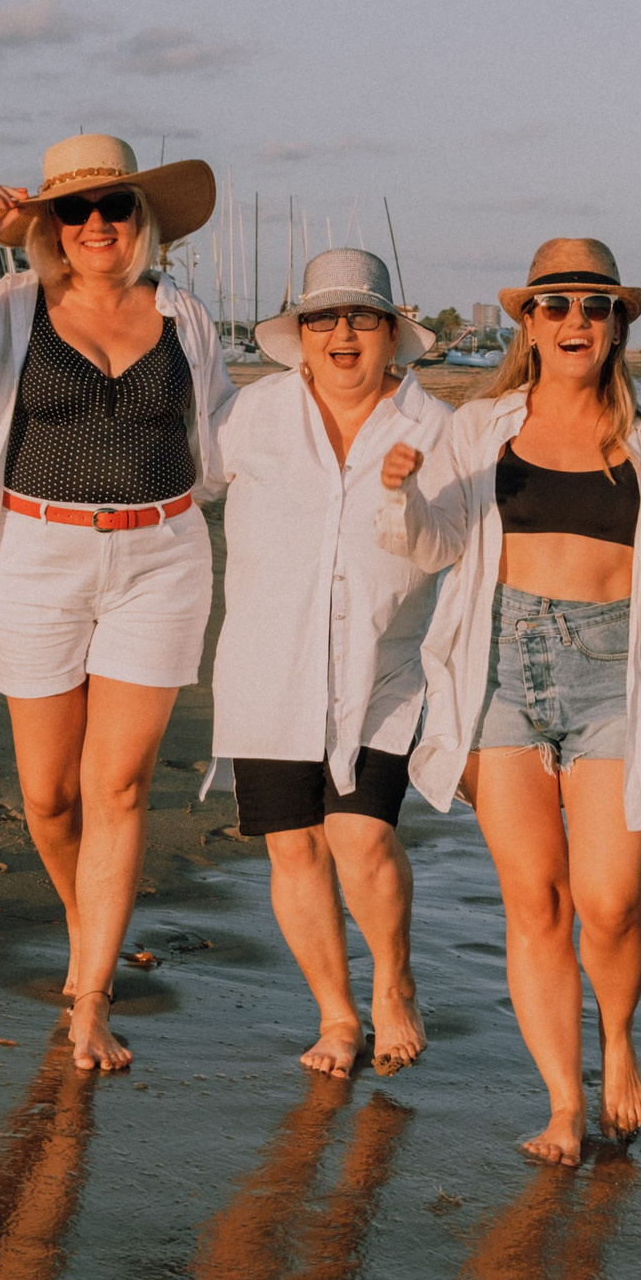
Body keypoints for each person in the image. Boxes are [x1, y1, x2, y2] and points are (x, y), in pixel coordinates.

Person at [0, 134, 230, 1072]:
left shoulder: (185, 315)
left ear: (140, 218)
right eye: (74, 210)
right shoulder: (11, 305)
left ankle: (91, 996)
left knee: (117, 787)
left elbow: (223, 434)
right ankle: (90, 923)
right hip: (37, 557)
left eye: (113, 206)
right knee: (48, 795)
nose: (95, 224)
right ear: (50, 224)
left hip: (161, 558)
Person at [386, 238, 641, 1164]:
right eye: (556, 304)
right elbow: (436, 543)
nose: (576, 320)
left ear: (617, 326)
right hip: (499, 670)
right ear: (527, 323)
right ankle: (565, 1103)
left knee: (609, 902)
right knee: (535, 900)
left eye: (595, 306)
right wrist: (403, 497)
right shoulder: (480, 429)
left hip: (611, 676)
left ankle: (619, 1036)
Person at [202, 249, 447, 1078]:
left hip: (382, 667)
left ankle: (394, 979)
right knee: (294, 848)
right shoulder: (252, 414)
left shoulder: (433, 426)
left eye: (362, 316)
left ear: (392, 333)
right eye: (323, 318)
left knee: (362, 835)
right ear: (301, 334)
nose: (343, 332)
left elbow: (459, 543)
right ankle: (337, 1015)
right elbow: (180, 487)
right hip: (267, 665)